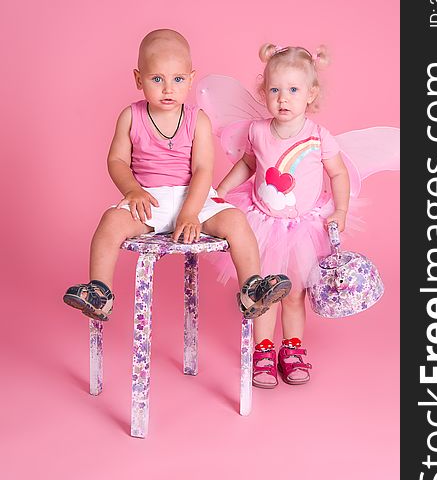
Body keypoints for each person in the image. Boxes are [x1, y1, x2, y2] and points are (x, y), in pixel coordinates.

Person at [63, 30, 291, 322]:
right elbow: (117, 160)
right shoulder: (131, 116)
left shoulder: (197, 120)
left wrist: (191, 212)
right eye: (157, 79)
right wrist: (132, 190)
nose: (168, 89)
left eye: (178, 79)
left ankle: (252, 288)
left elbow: (202, 170)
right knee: (109, 223)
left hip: (193, 195)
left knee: (236, 220)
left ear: (191, 78)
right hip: (149, 197)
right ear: (138, 79)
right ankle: (99, 292)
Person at [215, 43, 350, 387]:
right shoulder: (257, 131)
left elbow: (338, 174)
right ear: (263, 92)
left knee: (293, 293)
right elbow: (247, 164)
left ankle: (291, 348)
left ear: (310, 94)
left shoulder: (319, 136)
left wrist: (341, 209)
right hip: (263, 223)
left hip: (303, 228)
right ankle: (262, 349)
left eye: (292, 90)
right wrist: (220, 191)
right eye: (275, 90)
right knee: (264, 290)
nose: (283, 98)